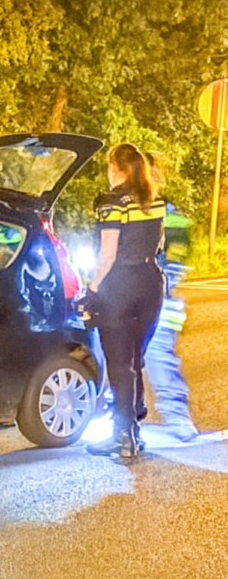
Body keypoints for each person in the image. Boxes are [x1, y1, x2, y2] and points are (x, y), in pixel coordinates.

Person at [86, 143, 166, 459]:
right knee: (134, 359)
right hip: (151, 283)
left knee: (119, 363)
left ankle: (123, 436)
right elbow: (160, 243)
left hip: (120, 285)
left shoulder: (111, 203)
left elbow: (108, 255)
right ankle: (134, 425)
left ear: (116, 169)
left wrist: (91, 289)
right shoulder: (155, 201)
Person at [142, 196, 198, 441]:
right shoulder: (127, 207)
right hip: (135, 295)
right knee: (115, 357)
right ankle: (116, 415)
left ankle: (178, 417)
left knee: (159, 356)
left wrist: (161, 283)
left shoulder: (169, 216)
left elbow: (176, 260)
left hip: (161, 301)